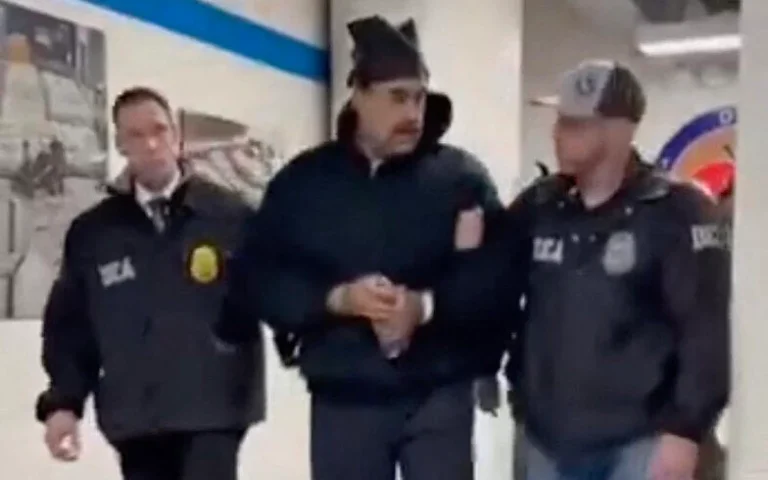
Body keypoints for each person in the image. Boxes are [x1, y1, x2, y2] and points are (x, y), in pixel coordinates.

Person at [215, 15, 522, 480]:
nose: (413, 113)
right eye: (397, 97)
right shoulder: (305, 183)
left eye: (419, 97)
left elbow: (496, 277)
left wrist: (424, 306)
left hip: (437, 394)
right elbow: (259, 277)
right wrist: (336, 299)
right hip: (345, 396)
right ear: (359, 94)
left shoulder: (460, 179)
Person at [506, 60, 730, 480]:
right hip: (545, 440)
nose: (556, 133)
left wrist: (685, 432)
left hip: (639, 442)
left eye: (573, 124)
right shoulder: (540, 206)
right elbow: (489, 284)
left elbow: (706, 332)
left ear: (617, 130)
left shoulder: (676, 211)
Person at [35, 86, 264, 480]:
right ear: (120, 145)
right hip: (137, 418)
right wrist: (63, 404)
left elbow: (277, 291)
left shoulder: (229, 216)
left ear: (177, 136)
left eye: (159, 130)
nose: (152, 144)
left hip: (214, 409)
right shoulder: (94, 233)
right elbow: (71, 328)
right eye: (136, 135)